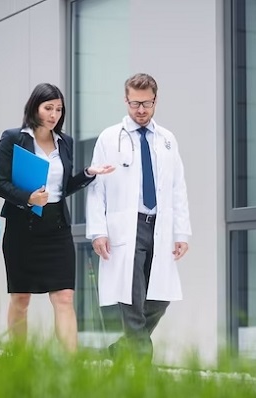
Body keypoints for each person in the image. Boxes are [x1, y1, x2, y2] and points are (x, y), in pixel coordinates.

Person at [0, 83, 114, 352]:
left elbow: (64, 186)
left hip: (57, 228)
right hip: (22, 229)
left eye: (59, 109)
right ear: (34, 107)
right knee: (21, 299)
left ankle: (70, 368)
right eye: (48, 108)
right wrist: (28, 197)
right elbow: (0, 184)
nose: (54, 114)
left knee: (64, 297)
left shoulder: (65, 142)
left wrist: (88, 173)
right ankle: (19, 360)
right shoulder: (13, 138)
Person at [86, 73, 192, 361]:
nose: (141, 110)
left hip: (159, 226)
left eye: (146, 103)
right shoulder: (110, 138)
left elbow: (177, 188)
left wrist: (181, 233)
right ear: (126, 100)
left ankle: (120, 350)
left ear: (155, 101)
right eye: (134, 103)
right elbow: (97, 189)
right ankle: (144, 363)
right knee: (132, 298)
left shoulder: (167, 140)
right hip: (127, 227)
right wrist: (98, 231)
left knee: (160, 298)